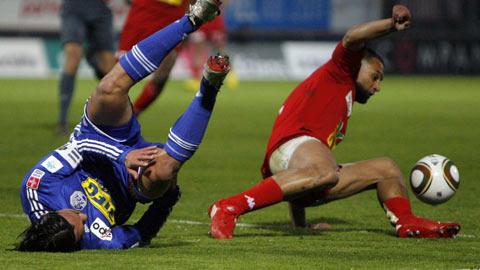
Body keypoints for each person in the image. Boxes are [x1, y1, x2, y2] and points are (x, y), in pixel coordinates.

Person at [208, 5, 461, 239]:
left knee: (387, 169)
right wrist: (391, 25)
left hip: (304, 167)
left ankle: (407, 223)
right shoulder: (340, 70)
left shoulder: (342, 100)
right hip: (290, 150)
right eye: (375, 76)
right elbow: (352, 37)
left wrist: (300, 226)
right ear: (357, 64)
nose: (377, 86)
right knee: (324, 170)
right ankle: (229, 206)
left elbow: (305, 171)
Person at [17, 0, 227, 251]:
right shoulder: (98, 240)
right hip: (127, 185)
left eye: (77, 219)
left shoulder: (37, 185)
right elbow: (141, 234)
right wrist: (166, 202)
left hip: (97, 138)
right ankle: (210, 86)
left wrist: (122, 155)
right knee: (164, 172)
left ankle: (192, 19)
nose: (84, 218)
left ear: (56, 214)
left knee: (107, 90)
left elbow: (79, 146)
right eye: (81, 229)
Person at [118, 0, 190, 115]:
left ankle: (132, 117)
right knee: (118, 74)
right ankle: (103, 120)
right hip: (143, 11)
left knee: (161, 77)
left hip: (173, 16)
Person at [57, 0, 117, 135]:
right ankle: (62, 121)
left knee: (109, 68)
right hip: (75, 7)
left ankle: (115, 121)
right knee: (73, 57)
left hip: (100, 9)